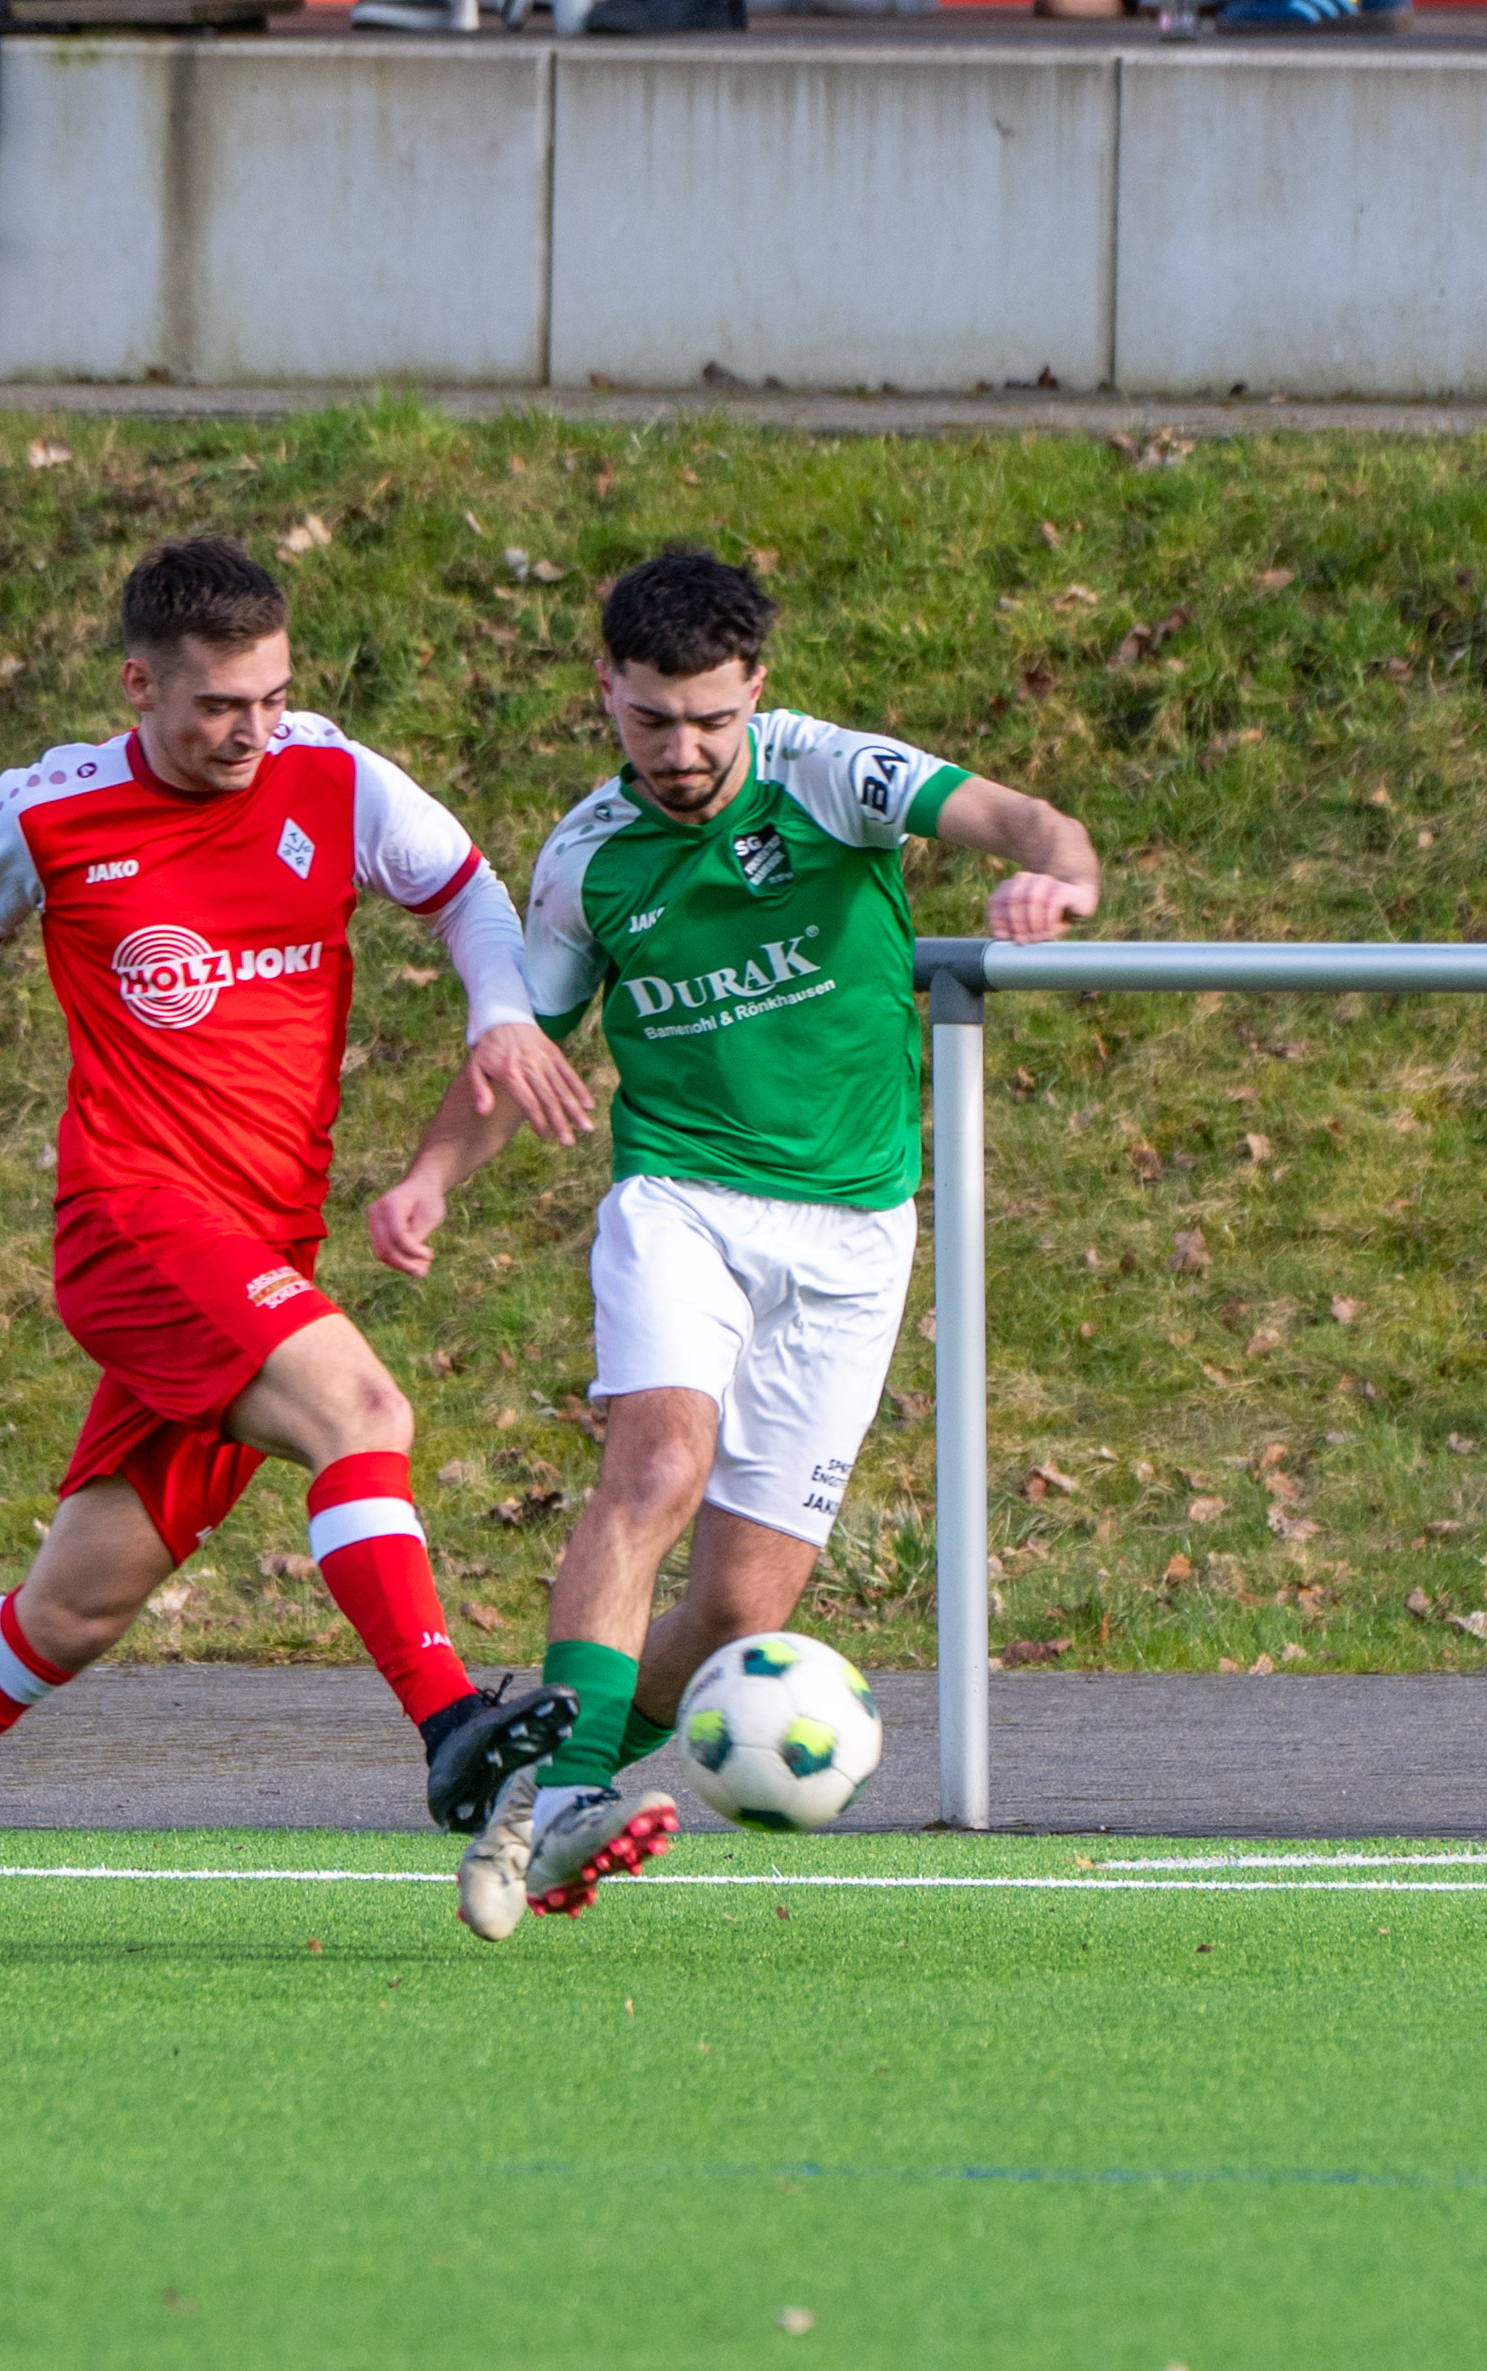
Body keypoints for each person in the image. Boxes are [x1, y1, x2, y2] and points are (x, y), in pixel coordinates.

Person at [0, 535, 601, 1953]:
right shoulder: (47, 811)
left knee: (72, 1611)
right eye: (218, 706)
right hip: (131, 1224)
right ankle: (446, 1722)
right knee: (362, 1411)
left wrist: (498, 1013)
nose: (252, 731)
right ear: (139, 686)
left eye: (271, 697)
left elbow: (469, 894)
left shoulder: (337, 780)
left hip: (260, 1253)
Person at [373, 547, 1099, 1941]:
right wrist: (429, 1178)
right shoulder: (588, 858)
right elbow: (519, 1049)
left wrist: (1054, 881)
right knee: (657, 1464)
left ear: (755, 689)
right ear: (605, 689)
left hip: (855, 1235)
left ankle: (530, 1793)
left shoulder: (833, 776)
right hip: (683, 1202)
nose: (683, 750)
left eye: (711, 718)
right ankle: (568, 1796)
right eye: (652, 719)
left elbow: (1024, 821)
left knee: (734, 1614)